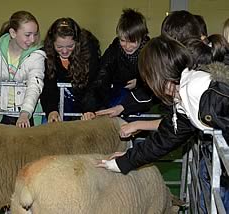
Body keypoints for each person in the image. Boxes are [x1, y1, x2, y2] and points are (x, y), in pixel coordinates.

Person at [98, 35, 229, 212]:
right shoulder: (184, 99)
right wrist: (122, 161)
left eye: (147, 80)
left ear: (155, 77)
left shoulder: (204, 93)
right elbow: (163, 140)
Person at [83, 9, 154, 121]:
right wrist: (90, 109)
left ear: (142, 37)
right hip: (117, 96)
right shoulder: (114, 51)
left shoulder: (151, 53)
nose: (127, 46)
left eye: (132, 41)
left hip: (143, 101)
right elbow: (100, 77)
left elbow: (155, 81)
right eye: (123, 40)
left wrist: (140, 81)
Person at [0, 11, 46, 128]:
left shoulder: (37, 55)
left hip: (27, 115)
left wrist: (25, 113)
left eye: (35, 34)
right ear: (13, 33)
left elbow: (34, 85)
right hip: (0, 114)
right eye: (27, 34)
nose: (32, 39)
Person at [40, 17, 101, 122]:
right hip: (57, 104)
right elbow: (48, 85)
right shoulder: (46, 54)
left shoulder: (89, 53)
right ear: (52, 43)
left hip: (84, 104)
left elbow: (93, 84)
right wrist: (51, 110)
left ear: (77, 42)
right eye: (59, 47)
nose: (64, 51)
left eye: (70, 46)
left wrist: (90, 109)